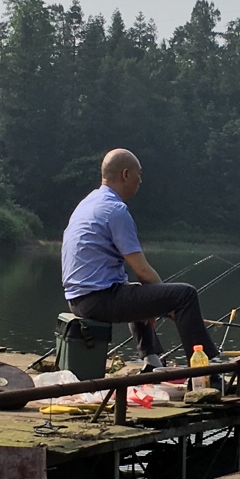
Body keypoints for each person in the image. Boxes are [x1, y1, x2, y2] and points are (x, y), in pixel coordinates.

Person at [63, 150, 218, 369]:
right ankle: (208, 372)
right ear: (126, 174)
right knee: (185, 295)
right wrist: (171, 309)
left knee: (136, 290)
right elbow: (143, 271)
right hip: (97, 300)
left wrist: (152, 305)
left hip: (77, 300)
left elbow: (139, 284)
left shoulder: (88, 203)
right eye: (139, 174)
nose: (141, 181)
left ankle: (151, 361)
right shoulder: (115, 210)